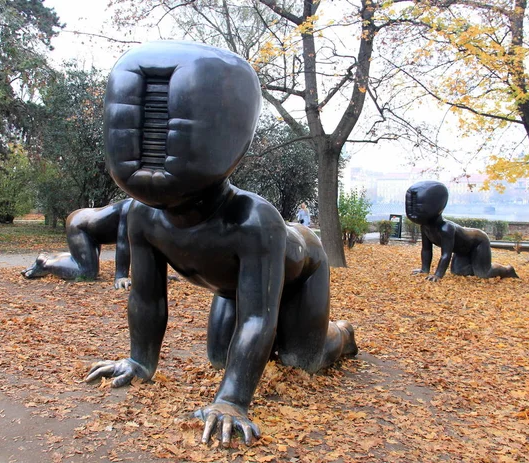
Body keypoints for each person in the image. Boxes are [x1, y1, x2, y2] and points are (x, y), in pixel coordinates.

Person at [85, 41, 357, 447]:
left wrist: (231, 400)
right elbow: (147, 297)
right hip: (234, 287)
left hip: (301, 273)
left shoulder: (252, 220)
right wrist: (140, 360)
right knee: (221, 359)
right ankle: (283, 347)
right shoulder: (142, 216)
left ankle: (343, 333)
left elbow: (257, 317)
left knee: (303, 361)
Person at [405, 181, 518, 281]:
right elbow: (426, 249)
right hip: (462, 250)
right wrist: (424, 269)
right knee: (459, 272)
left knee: (484, 273)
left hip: (478, 242)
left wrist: (438, 275)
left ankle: (507, 270)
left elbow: (446, 254)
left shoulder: (446, 229)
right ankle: (475, 264)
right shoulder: (425, 226)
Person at [21, 199, 133, 289]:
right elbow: (123, 243)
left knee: (88, 268)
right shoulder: (131, 208)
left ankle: (54, 257)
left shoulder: (143, 207)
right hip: (80, 225)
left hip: (93, 226)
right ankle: (45, 263)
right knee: (87, 273)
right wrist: (121, 276)